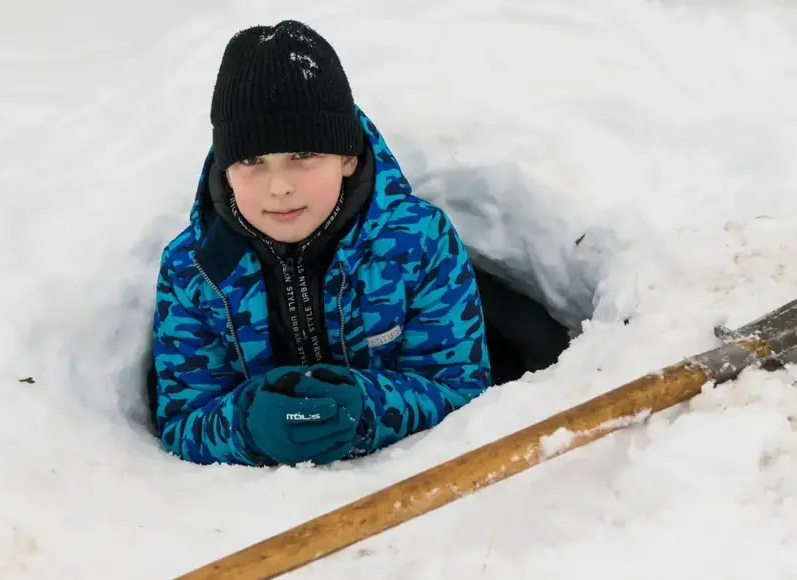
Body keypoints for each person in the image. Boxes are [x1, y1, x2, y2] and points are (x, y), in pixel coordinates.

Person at [149, 20, 570, 467]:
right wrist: (249, 424)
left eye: (303, 156)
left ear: (347, 157)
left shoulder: (418, 243)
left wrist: (367, 407)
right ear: (226, 168)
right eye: (251, 161)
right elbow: (182, 420)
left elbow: (461, 391)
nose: (278, 186)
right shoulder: (194, 270)